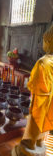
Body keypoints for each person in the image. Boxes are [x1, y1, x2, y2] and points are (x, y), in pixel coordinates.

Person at [12, 24, 53, 155]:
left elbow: (32, 83)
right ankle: (41, 143)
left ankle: (30, 145)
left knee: (35, 124)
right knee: (46, 122)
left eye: (44, 41)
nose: (43, 44)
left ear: (49, 42)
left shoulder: (44, 62)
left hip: (40, 99)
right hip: (50, 100)